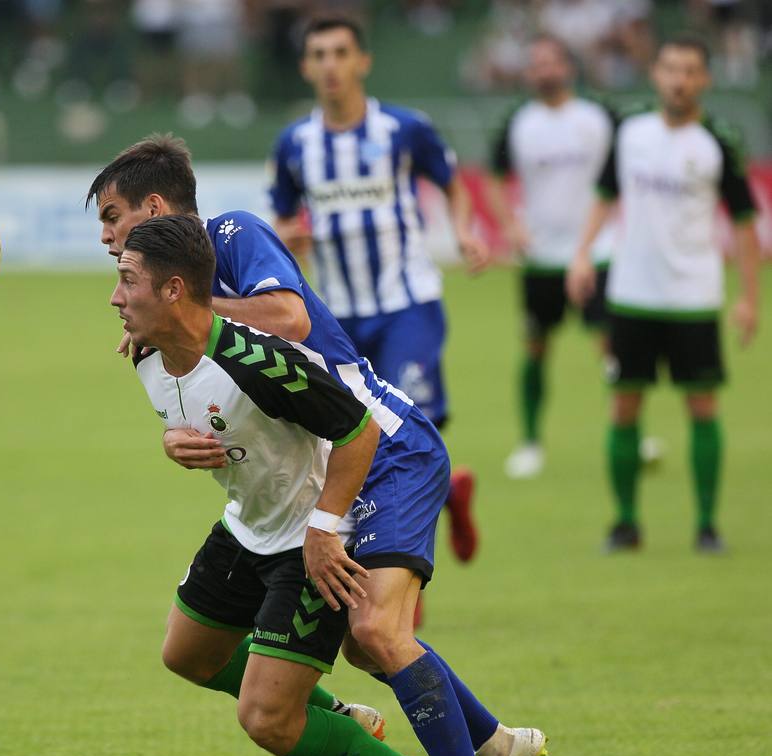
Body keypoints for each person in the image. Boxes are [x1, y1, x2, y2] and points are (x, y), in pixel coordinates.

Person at [89, 143, 546, 756]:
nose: (105, 236)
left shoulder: (230, 236)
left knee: (375, 630)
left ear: (154, 208)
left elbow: (292, 319)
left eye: (114, 217)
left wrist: (187, 311)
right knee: (361, 642)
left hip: (378, 442)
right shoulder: (154, 323)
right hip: (314, 456)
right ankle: (495, 746)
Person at [115, 213, 450, 756]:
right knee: (186, 654)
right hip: (246, 527)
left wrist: (326, 528)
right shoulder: (145, 354)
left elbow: (358, 429)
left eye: (127, 280)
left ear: (174, 290)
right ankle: (343, 719)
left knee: (266, 720)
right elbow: (190, 411)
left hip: (309, 543)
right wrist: (170, 442)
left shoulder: (260, 360)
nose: (113, 296)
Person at [267, 15, 485, 564]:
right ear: (306, 67)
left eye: (341, 53)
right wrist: (290, 234)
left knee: (406, 438)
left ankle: (400, 590)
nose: (330, 65)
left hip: (407, 303)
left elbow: (452, 186)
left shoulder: (404, 129)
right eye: (319, 54)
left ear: (362, 61)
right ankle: (451, 492)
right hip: (336, 318)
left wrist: (463, 230)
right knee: (352, 441)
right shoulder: (295, 144)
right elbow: (282, 222)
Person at [566, 34, 760, 553]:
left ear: (705, 80)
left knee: (703, 408)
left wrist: (748, 298)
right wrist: (582, 254)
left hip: (695, 296)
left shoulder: (718, 139)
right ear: (656, 74)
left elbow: (744, 225)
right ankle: (626, 523)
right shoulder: (631, 133)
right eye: (671, 68)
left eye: (690, 70)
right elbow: (605, 197)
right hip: (632, 293)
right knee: (624, 407)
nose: (679, 79)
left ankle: (707, 525)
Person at [485, 34, 616, 479]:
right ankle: (531, 442)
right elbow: (494, 178)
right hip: (541, 258)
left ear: (568, 67)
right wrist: (511, 224)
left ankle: (631, 429)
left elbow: (621, 178)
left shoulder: (599, 117)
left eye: (550, 63)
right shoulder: (518, 122)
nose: (543, 71)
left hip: (597, 254)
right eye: (535, 64)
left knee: (612, 347)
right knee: (537, 348)